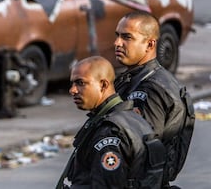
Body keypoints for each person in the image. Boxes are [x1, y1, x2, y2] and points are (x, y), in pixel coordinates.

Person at [56, 56, 164, 189]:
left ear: (103, 85)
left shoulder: (109, 133)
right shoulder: (132, 118)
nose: (72, 90)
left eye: (80, 83)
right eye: (72, 83)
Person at [114, 11, 191, 187]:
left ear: (149, 44)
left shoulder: (151, 89)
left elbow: (143, 153)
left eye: (127, 37)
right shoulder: (138, 79)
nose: (117, 43)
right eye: (117, 36)